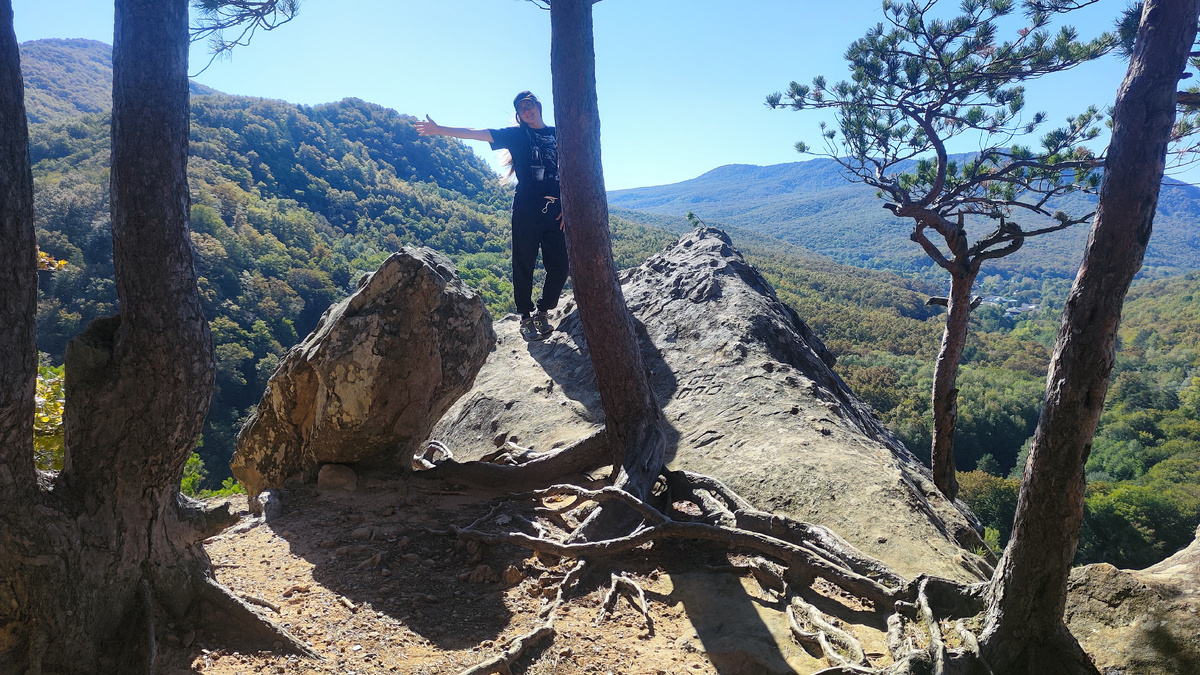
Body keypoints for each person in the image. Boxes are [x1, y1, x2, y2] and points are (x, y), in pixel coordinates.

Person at [415, 91, 566, 341]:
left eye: (529, 105)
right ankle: (525, 317)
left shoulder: (557, 133)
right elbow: (475, 132)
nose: (526, 110)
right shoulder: (515, 135)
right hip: (526, 210)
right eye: (521, 108)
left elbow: (572, 170)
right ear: (518, 115)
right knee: (523, 264)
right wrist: (438, 129)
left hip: (556, 211)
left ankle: (543, 311)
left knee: (561, 266)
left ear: (538, 105)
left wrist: (568, 207)